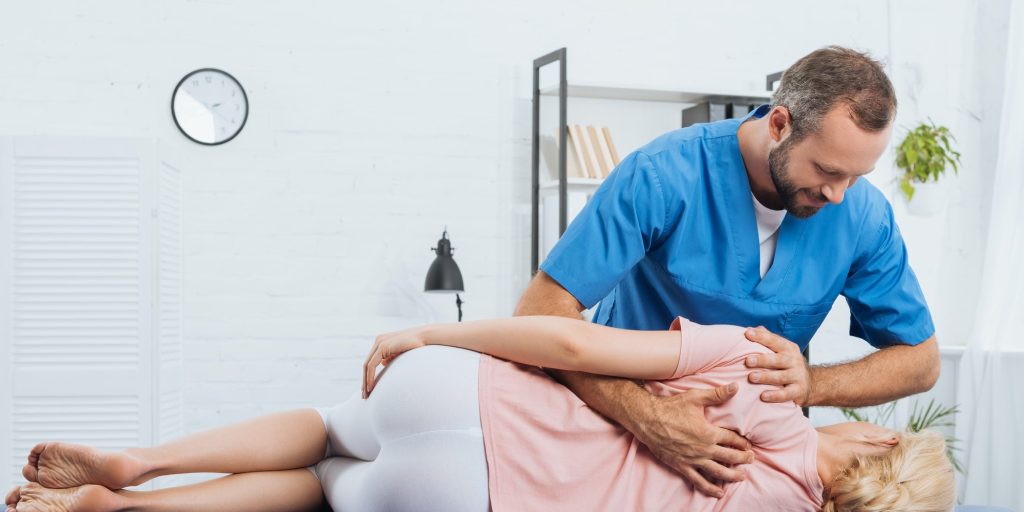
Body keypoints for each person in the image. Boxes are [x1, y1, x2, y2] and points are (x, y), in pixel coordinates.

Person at [515, 45, 942, 496]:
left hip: (750, 471)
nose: (838, 194)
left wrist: (812, 383)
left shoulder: (862, 216)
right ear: (780, 124)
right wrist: (643, 413)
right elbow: (539, 312)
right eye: (826, 170)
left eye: (856, 176)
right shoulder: (663, 174)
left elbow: (920, 361)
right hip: (621, 436)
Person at [6, 315, 955, 512]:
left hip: (468, 394)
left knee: (329, 424)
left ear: (877, 437)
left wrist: (430, 334)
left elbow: (575, 347)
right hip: (467, 499)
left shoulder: (764, 372)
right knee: (322, 488)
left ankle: (142, 463)